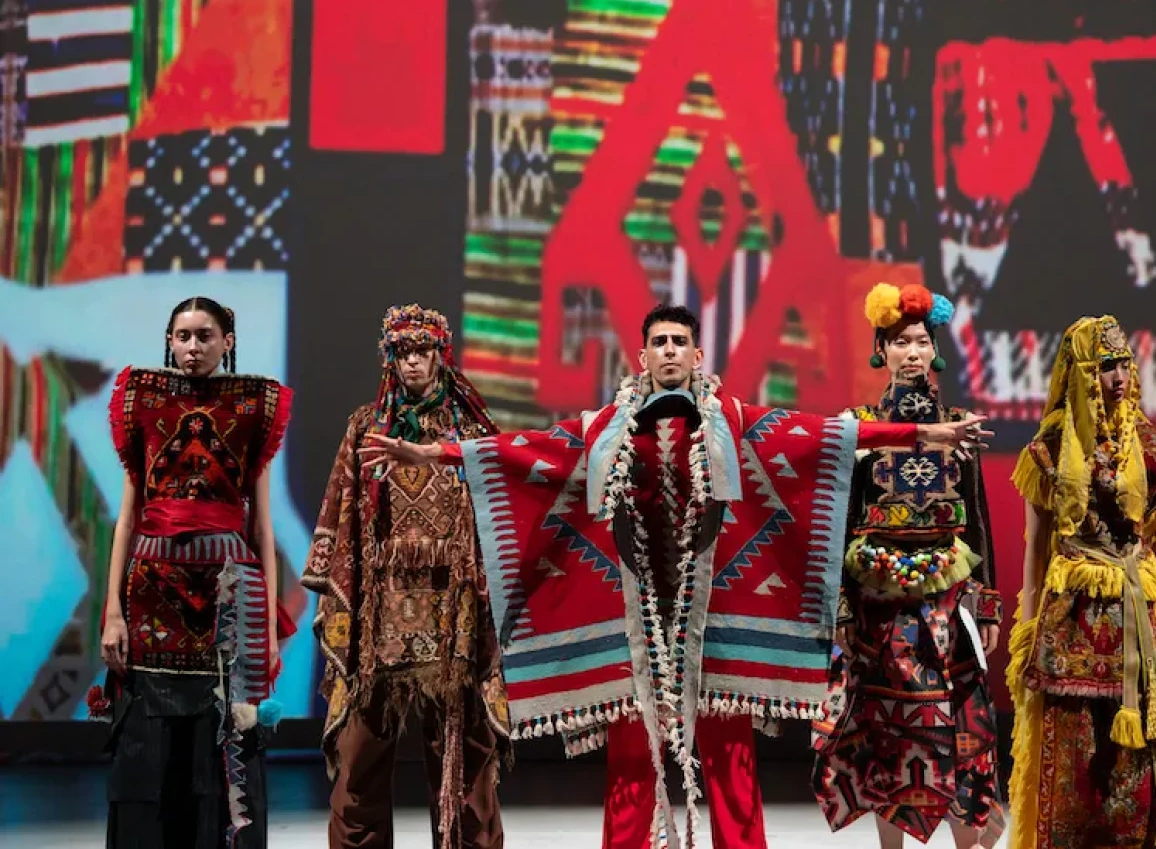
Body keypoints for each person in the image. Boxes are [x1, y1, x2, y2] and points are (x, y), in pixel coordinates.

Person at [359, 303, 992, 849]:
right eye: (659, 341)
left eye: (679, 341)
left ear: (696, 354)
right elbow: (522, 449)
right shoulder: (606, 430)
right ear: (642, 356)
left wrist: (923, 433)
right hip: (636, 630)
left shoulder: (733, 422)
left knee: (733, 772)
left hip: (712, 629)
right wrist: (431, 452)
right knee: (631, 777)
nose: (668, 350)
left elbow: (827, 435)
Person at [90, 296, 295, 848]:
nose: (193, 347)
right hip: (150, 589)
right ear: (169, 341)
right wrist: (113, 612)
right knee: (148, 749)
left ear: (228, 342)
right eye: (183, 336)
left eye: (205, 336)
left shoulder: (254, 408)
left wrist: (267, 629)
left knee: (226, 738)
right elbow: (128, 515)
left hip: (230, 592)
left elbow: (262, 526)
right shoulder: (142, 402)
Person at [302, 305, 509, 849]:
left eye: (422, 350)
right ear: (389, 359)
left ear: (442, 354)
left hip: (455, 620)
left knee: (466, 775)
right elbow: (340, 520)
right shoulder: (365, 427)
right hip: (379, 623)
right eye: (402, 351)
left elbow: (504, 510)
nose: (412, 361)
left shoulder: (472, 432)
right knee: (359, 769)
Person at [811, 283, 1005, 849]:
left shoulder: (960, 425)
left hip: (947, 604)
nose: (912, 352)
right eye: (900, 343)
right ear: (881, 350)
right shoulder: (857, 427)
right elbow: (842, 520)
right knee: (887, 734)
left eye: (921, 341)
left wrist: (988, 603)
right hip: (878, 608)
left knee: (964, 729)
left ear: (935, 349)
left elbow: (977, 520)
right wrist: (838, 607)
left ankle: (970, 839)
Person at [1005, 316, 1156, 849]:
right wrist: (1027, 629)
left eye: (1124, 365)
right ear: (1081, 374)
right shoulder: (1048, 451)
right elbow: (1036, 546)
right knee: (1072, 748)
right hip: (1072, 614)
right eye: (1105, 366)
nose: (1118, 378)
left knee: (1139, 754)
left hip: (1138, 611)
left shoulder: (1153, 451)